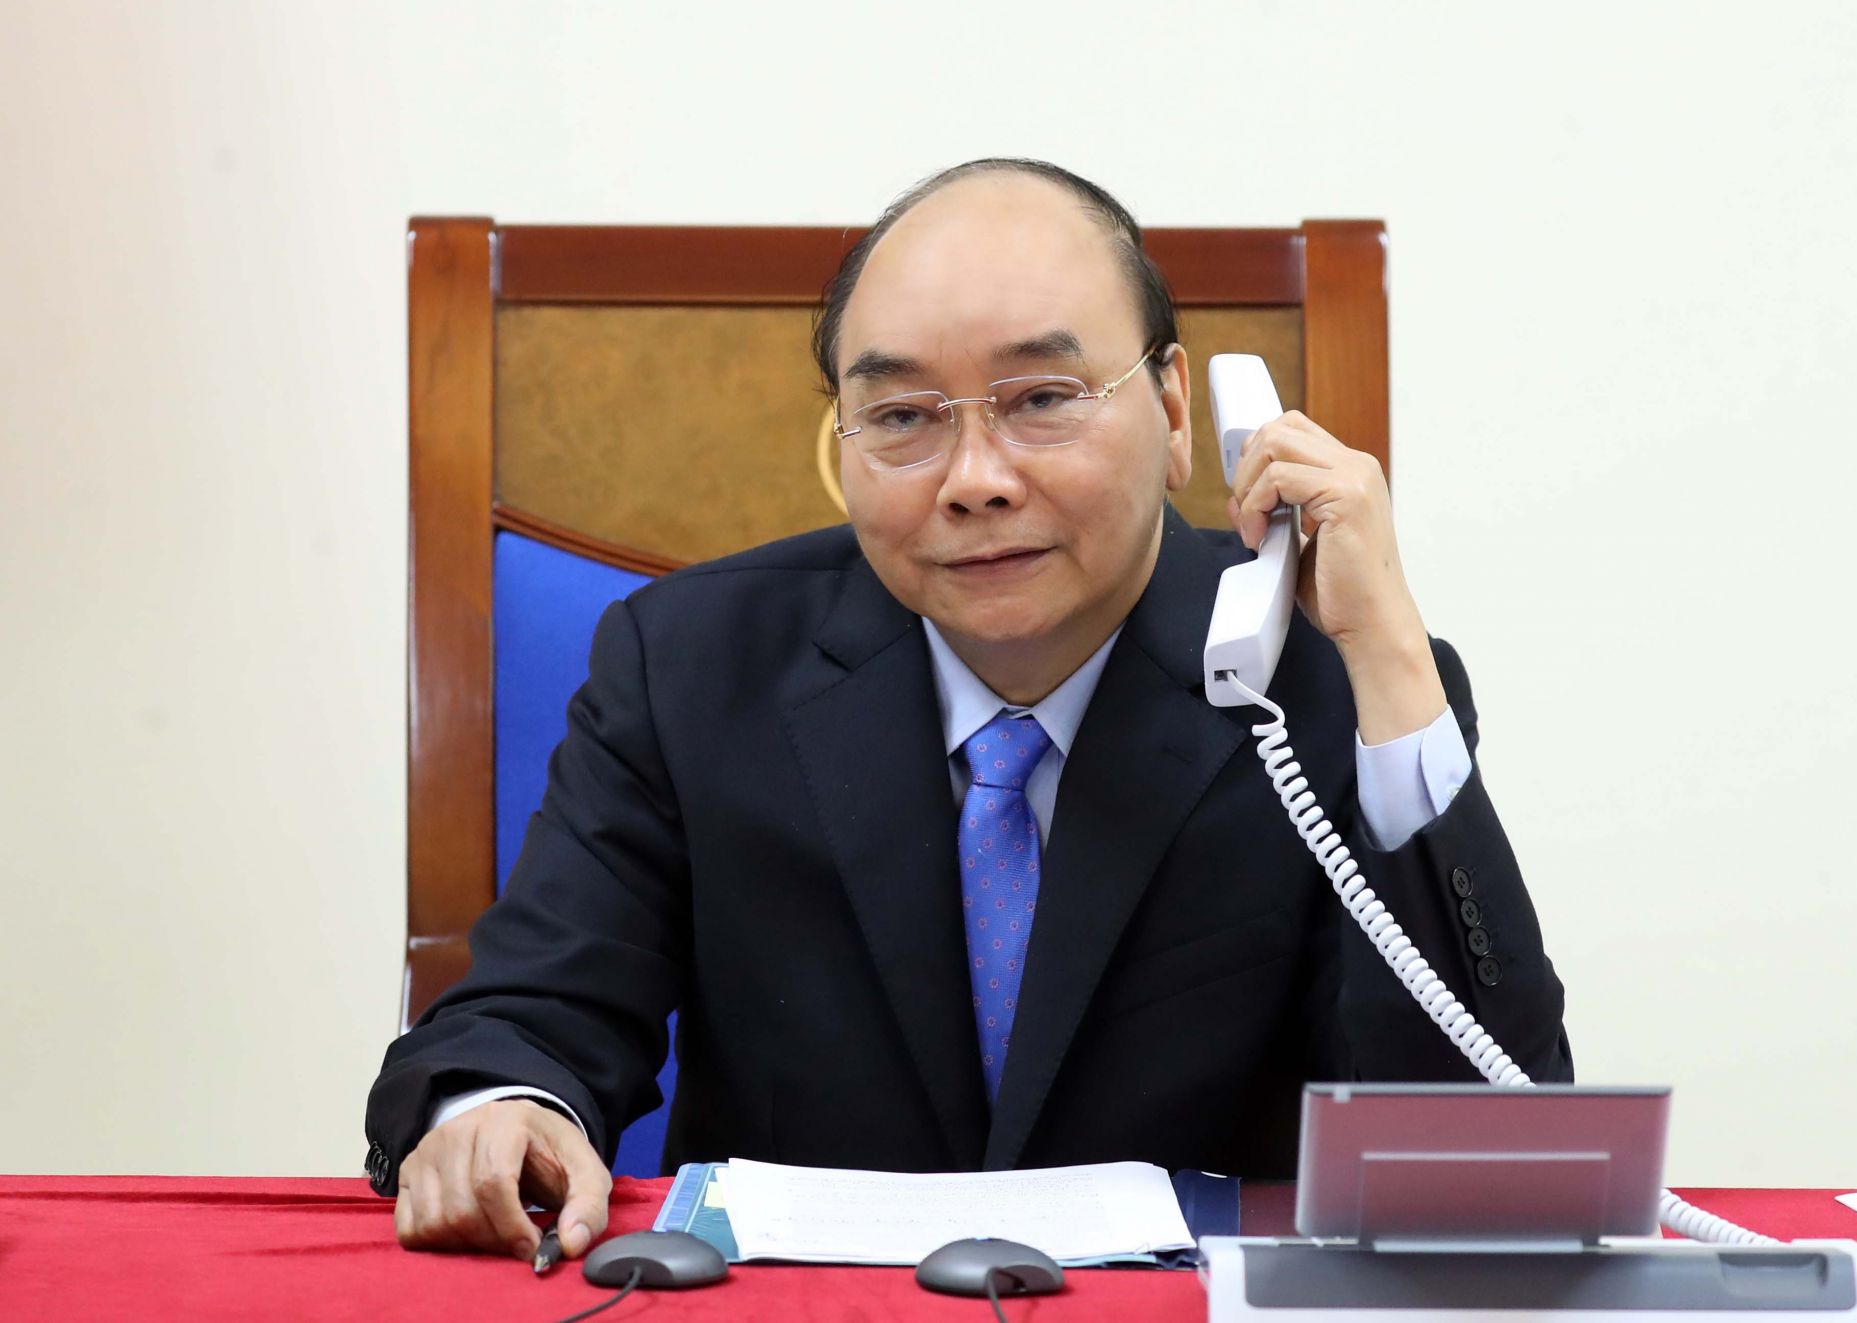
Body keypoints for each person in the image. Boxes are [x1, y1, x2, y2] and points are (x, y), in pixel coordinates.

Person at [364, 158, 1571, 1263]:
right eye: (903, 418)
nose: (976, 481)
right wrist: (499, 1108)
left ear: (1173, 410)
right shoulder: (688, 668)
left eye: (1041, 398)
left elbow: (1489, 1157)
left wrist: (1389, 665)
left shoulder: (1319, 688)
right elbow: (533, 1008)